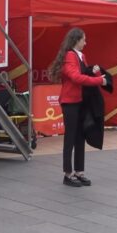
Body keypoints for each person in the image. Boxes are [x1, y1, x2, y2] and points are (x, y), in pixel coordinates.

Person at [48, 28, 106, 187]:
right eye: (84, 40)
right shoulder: (69, 56)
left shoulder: (80, 56)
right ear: (76, 40)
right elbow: (76, 77)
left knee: (80, 137)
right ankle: (68, 173)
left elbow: (84, 75)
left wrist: (95, 73)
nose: (85, 43)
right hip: (70, 102)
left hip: (80, 101)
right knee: (71, 137)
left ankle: (79, 171)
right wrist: (99, 80)